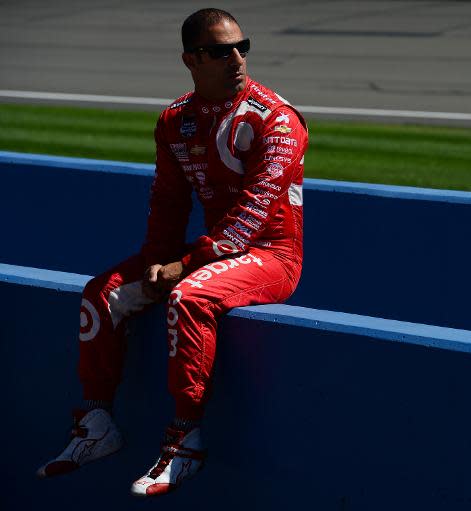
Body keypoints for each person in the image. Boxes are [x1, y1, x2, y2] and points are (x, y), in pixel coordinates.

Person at [36, 8, 307, 497]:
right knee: (101, 294)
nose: (237, 59)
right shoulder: (175, 120)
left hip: (271, 256)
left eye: (243, 47)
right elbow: (167, 202)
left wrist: (182, 266)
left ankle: (186, 440)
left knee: (188, 297)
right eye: (221, 51)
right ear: (191, 59)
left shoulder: (278, 120)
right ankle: (97, 424)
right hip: (211, 254)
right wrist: (156, 261)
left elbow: (250, 218)